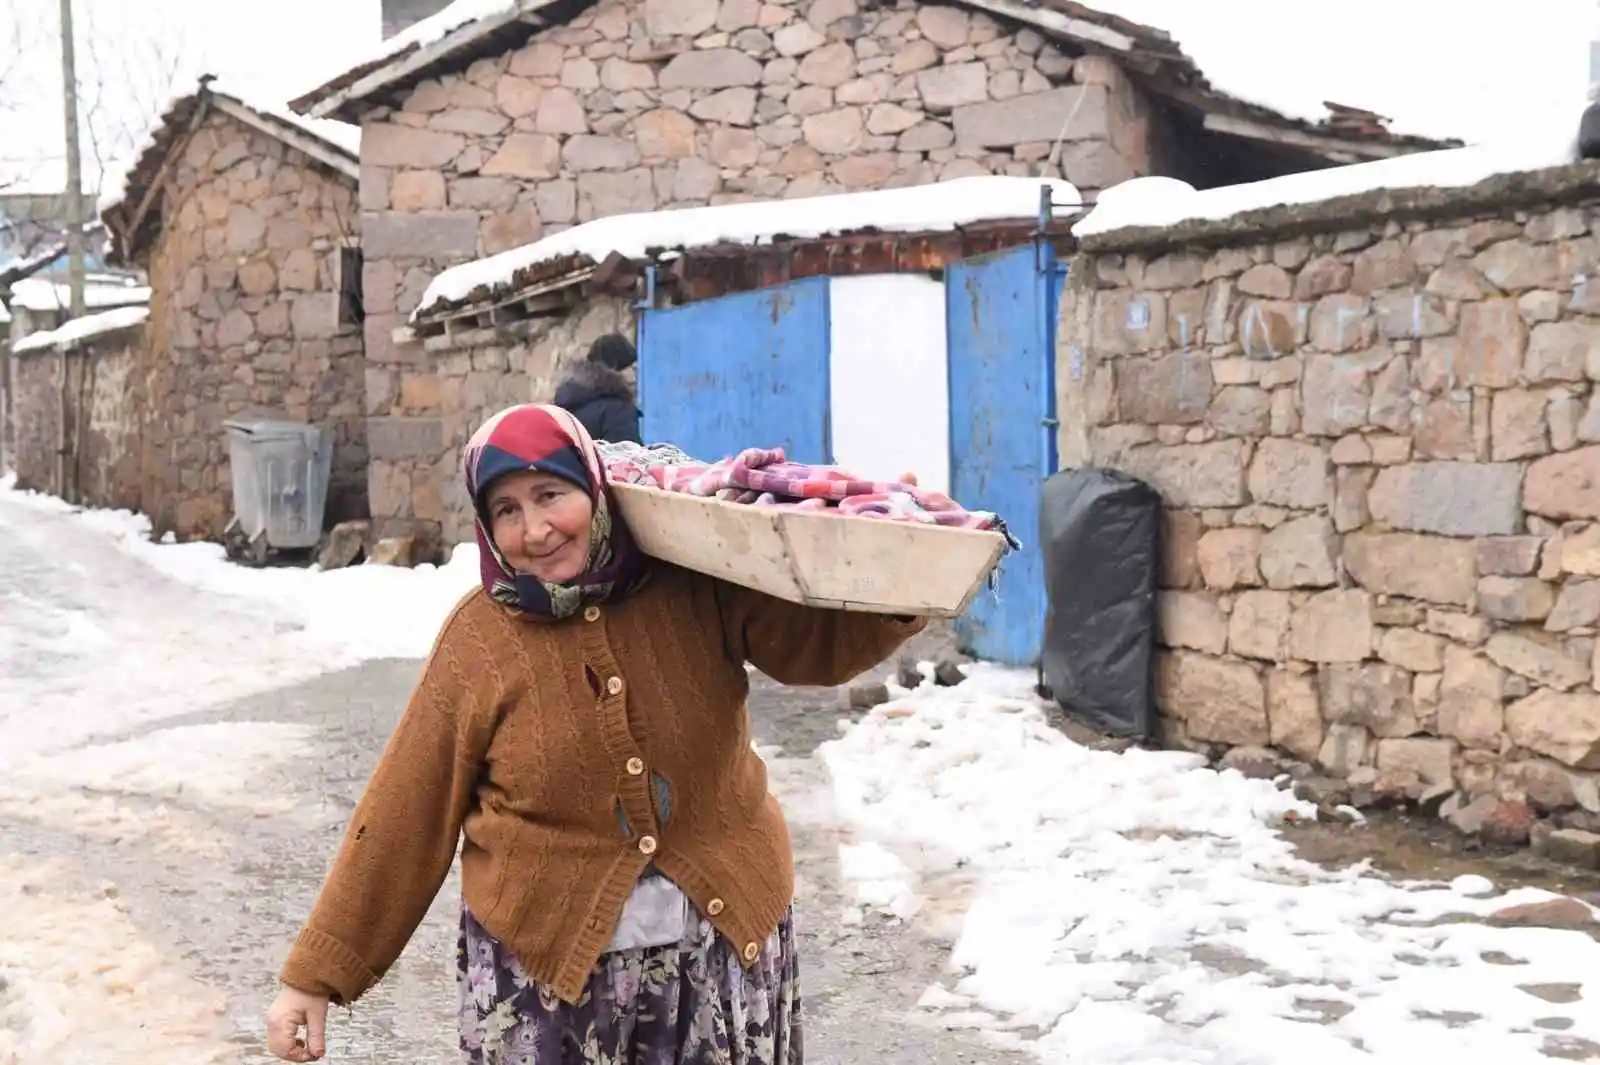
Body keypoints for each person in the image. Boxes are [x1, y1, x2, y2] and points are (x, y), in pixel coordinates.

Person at [265, 403, 925, 1065]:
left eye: (551, 494)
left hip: (720, 950)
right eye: (508, 510)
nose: (536, 529)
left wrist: (901, 579)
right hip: (551, 984)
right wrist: (317, 974)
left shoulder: (693, 584)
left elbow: (811, 644)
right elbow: (406, 808)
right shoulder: (480, 642)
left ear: (593, 486)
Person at [553, 333, 642, 444]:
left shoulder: (566, 406)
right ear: (616, 367)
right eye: (632, 368)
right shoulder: (617, 410)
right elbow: (627, 456)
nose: (636, 374)